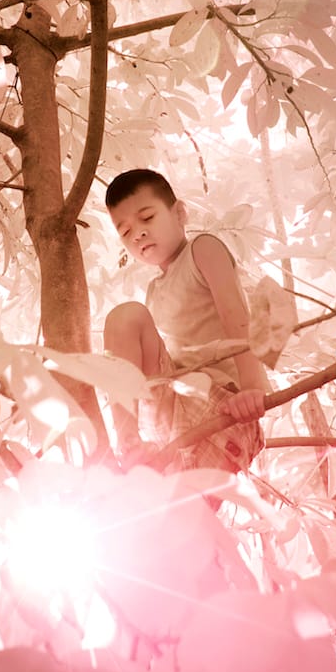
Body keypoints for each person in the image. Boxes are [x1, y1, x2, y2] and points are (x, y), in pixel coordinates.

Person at [101, 168, 267, 472]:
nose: (137, 234)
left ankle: (130, 443)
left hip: (225, 408)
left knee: (127, 317)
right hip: (175, 417)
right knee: (123, 322)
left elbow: (235, 316)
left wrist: (252, 390)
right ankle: (129, 443)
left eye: (147, 218)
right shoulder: (155, 290)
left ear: (180, 213)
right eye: (125, 232)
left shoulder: (202, 249)